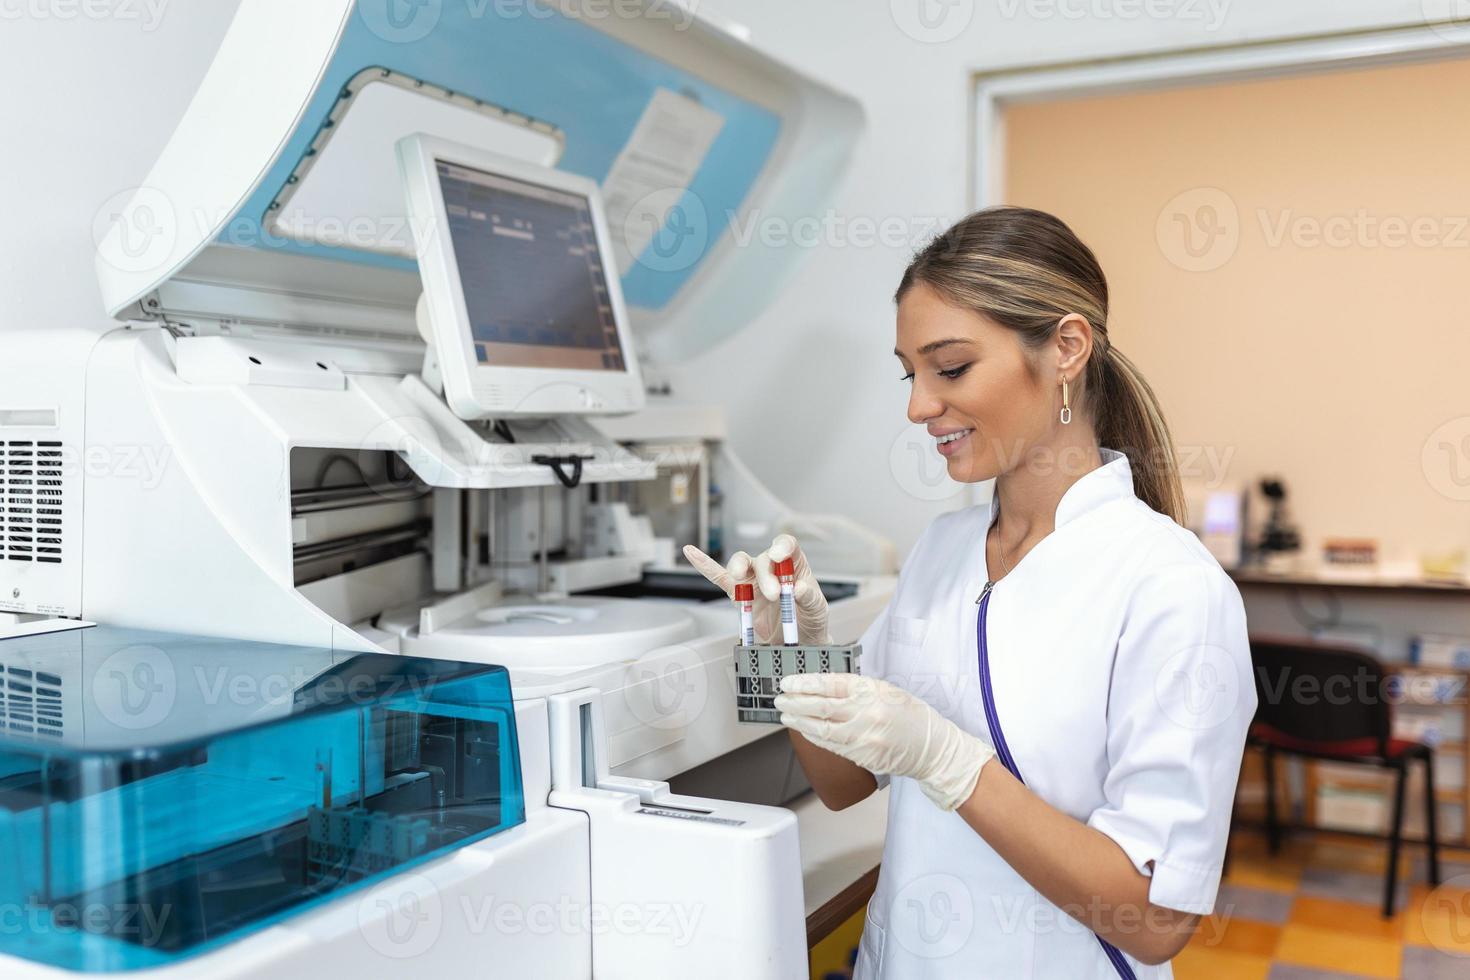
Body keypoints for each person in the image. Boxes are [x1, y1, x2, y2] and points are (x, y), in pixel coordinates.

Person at [684, 207, 1254, 978]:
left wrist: (951, 762)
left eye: (949, 369)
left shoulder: (1172, 589)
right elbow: (843, 781)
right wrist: (787, 655)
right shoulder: (944, 552)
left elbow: (1153, 920)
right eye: (909, 374)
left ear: (1066, 348)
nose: (918, 406)